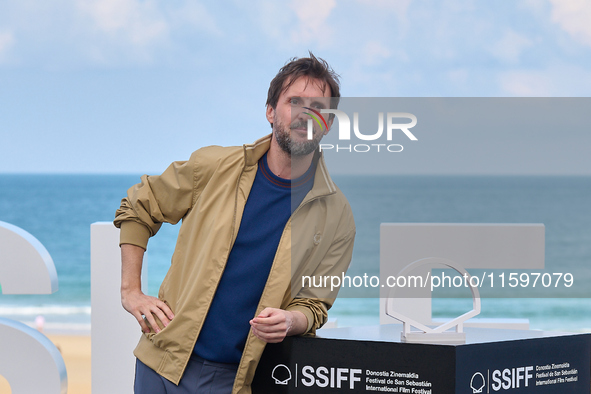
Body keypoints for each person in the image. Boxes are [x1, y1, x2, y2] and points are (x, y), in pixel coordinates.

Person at [113, 53, 355, 394]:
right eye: (294, 102)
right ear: (270, 111)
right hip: (160, 363)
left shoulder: (337, 214)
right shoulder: (212, 166)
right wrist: (131, 292)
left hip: (237, 380)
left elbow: (314, 304)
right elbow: (140, 206)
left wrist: (290, 321)